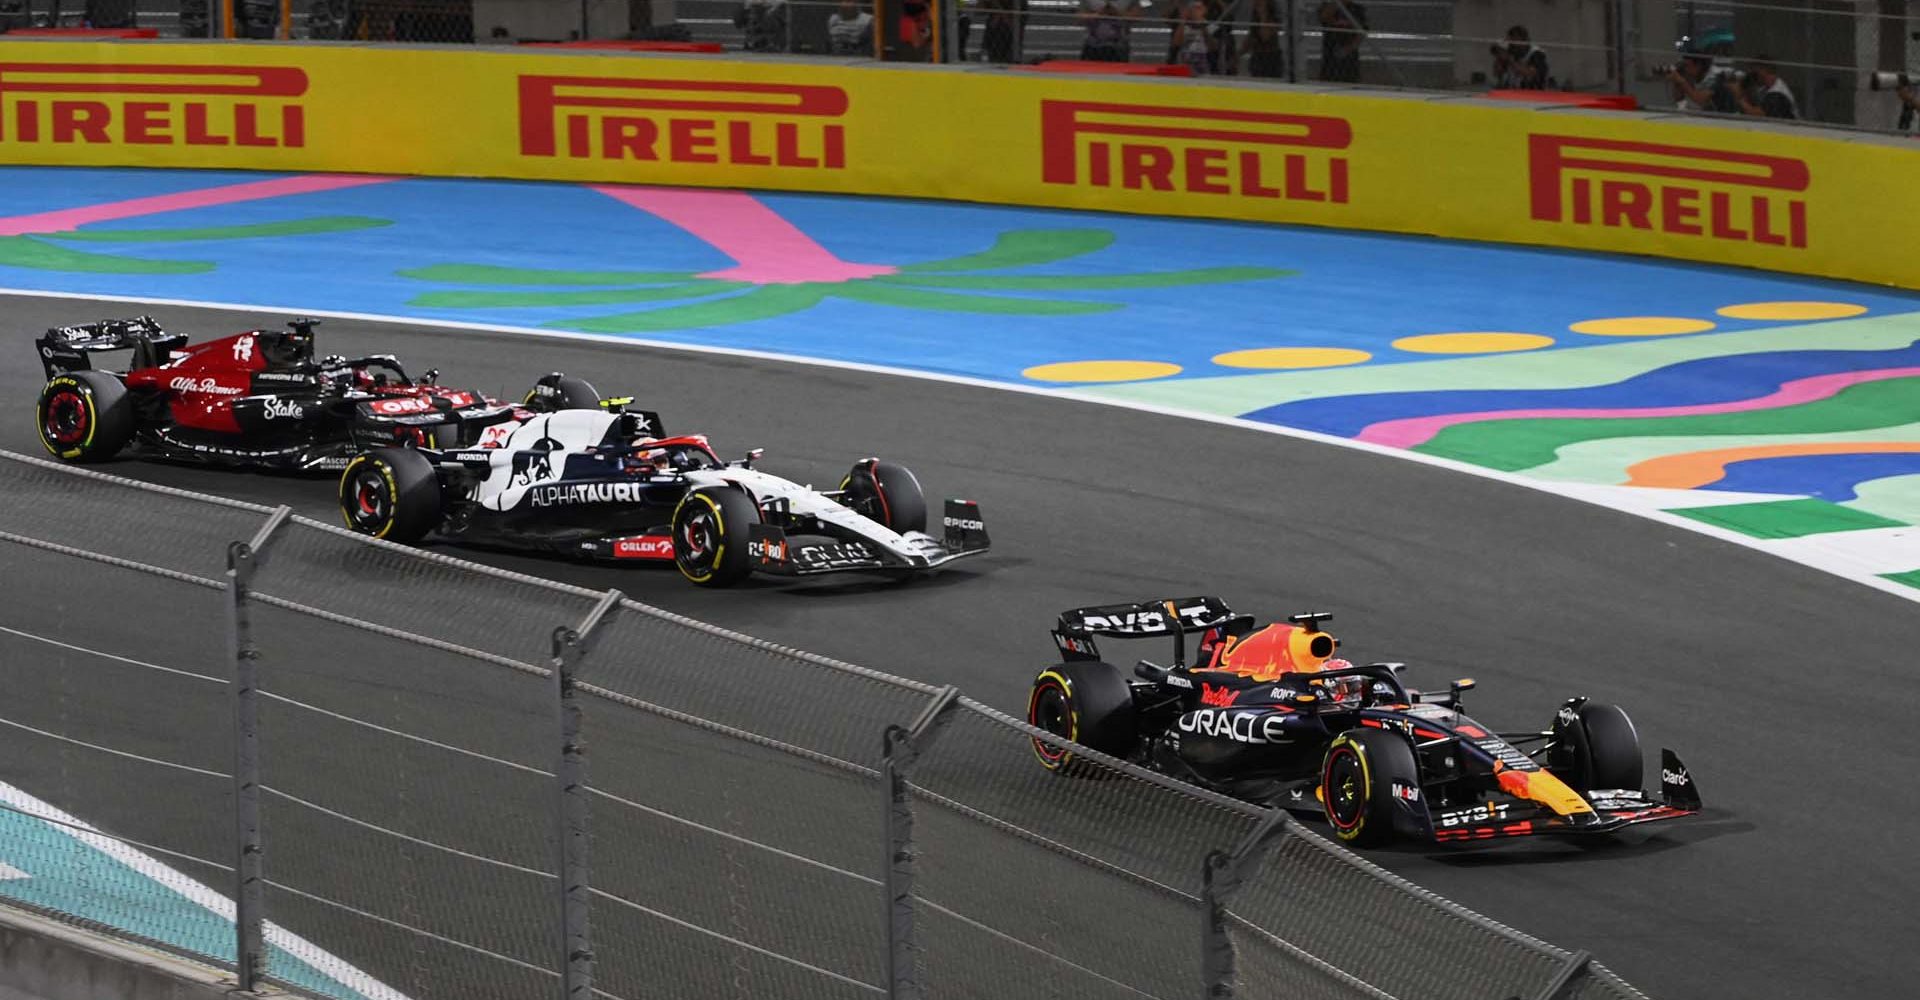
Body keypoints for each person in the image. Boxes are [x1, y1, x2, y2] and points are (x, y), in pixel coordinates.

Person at [1316, 0, 1366, 83]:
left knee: (1350, 80)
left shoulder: (1357, 9)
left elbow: (1361, 33)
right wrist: (1338, 3)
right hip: (1330, 52)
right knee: (1328, 78)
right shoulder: (1328, 6)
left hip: (1350, 57)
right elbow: (1324, 17)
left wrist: (1348, 48)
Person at [1490, 24, 1550, 89]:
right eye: (1511, 42)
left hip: (1532, 92)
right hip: (1511, 92)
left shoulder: (1537, 54)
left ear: (1523, 41)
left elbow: (1529, 73)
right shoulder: (1512, 51)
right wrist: (1500, 58)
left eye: (1514, 41)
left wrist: (1510, 60)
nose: (1511, 45)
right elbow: (1496, 73)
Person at [1243, 0, 1284, 79]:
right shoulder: (1255, 15)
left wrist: (1262, 13)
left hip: (1271, 58)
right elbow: (1251, 36)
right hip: (1257, 57)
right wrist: (1238, 54)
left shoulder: (1272, 17)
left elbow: (1265, 36)